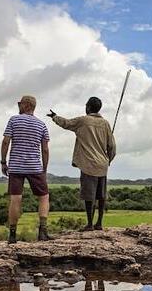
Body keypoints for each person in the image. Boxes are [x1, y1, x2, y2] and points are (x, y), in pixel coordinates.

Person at [47, 97, 116, 231]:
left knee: (89, 195)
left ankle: (90, 224)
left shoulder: (83, 121)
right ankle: (99, 223)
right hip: (102, 165)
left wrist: (55, 117)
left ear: (89, 107)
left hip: (88, 164)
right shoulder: (106, 124)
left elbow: (66, 123)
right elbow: (112, 146)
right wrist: (108, 161)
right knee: (101, 195)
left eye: (86, 106)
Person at [1, 95, 52, 244]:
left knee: (16, 198)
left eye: (20, 103)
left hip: (16, 166)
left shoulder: (13, 120)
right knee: (44, 197)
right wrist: (44, 168)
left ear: (26, 105)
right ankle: (42, 232)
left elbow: (5, 142)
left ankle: (12, 236)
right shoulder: (41, 125)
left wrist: (3, 162)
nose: (18, 105)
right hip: (35, 166)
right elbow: (45, 149)